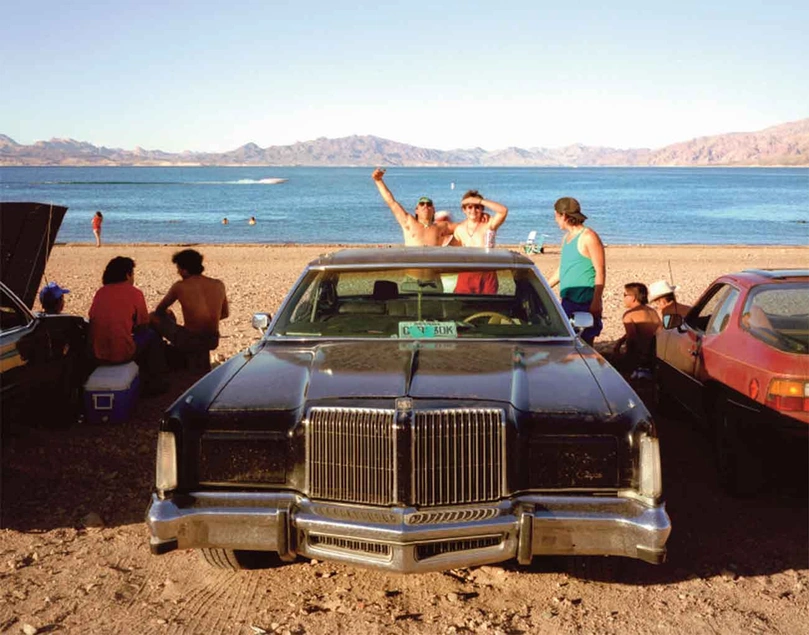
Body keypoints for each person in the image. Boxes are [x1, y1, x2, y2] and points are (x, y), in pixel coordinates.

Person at [88, 256, 168, 394]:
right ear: (127, 274)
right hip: (122, 355)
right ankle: (155, 382)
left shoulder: (101, 292)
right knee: (152, 336)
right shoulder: (135, 293)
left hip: (98, 354)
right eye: (133, 274)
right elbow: (143, 324)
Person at [151, 249, 229, 371]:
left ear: (185, 270)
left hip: (190, 339)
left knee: (153, 317)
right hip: (212, 339)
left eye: (178, 269)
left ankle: (158, 362)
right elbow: (225, 314)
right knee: (172, 317)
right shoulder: (218, 284)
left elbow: (159, 310)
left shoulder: (180, 286)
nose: (178, 272)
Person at [546, 197, 605, 345]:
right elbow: (563, 269)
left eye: (556, 216)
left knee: (585, 345)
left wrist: (596, 301)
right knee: (567, 343)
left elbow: (600, 270)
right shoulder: (566, 238)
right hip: (567, 300)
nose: (555, 220)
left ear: (564, 216)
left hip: (585, 301)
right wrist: (545, 287)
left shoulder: (588, 237)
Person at [372, 168, 455, 246]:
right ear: (416, 210)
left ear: (433, 210)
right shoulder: (409, 222)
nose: (425, 206)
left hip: (432, 261)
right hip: (412, 260)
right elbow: (391, 202)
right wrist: (378, 181)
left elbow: (464, 226)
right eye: (422, 204)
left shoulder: (442, 227)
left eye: (429, 204)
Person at [452, 189, 509, 294]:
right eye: (470, 207)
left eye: (477, 207)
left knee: (487, 305)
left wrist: (480, 201)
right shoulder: (459, 229)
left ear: (482, 209)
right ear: (464, 210)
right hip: (466, 273)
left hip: (487, 272)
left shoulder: (489, 224)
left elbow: (503, 211)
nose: (473, 210)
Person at [612, 282, 662, 380]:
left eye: (625, 295)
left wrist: (625, 359)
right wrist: (620, 341)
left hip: (641, 358)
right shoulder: (652, 311)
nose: (623, 298)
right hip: (655, 355)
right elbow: (645, 331)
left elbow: (632, 339)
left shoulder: (629, 314)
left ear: (633, 297)